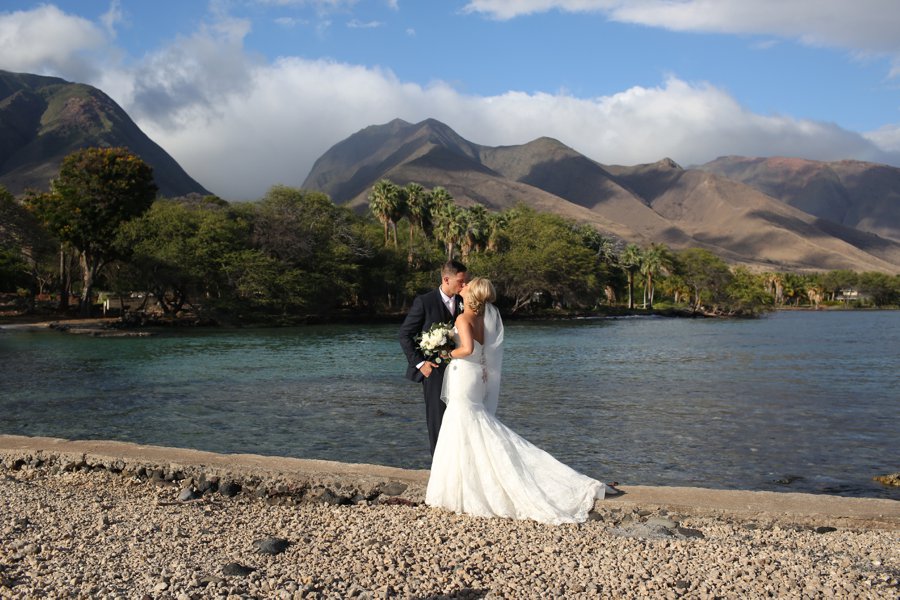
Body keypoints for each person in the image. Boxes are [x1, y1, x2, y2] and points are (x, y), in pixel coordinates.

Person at [426, 277, 619, 525]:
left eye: (467, 285)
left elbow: (468, 350)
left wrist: (445, 352)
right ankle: (467, 486)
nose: (462, 287)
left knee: (462, 423)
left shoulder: (463, 319)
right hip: (475, 377)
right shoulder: (482, 319)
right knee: (473, 425)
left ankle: (464, 489)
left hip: (465, 375)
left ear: (472, 293)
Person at [399, 260, 469, 455]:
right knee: (438, 419)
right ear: (446, 279)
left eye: (466, 282)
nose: (464, 286)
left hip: (462, 370)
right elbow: (404, 335)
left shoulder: (465, 302)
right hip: (434, 370)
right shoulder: (425, 302)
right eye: (461, 282)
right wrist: (421, 364)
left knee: (461, 417)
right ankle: (439, 468)